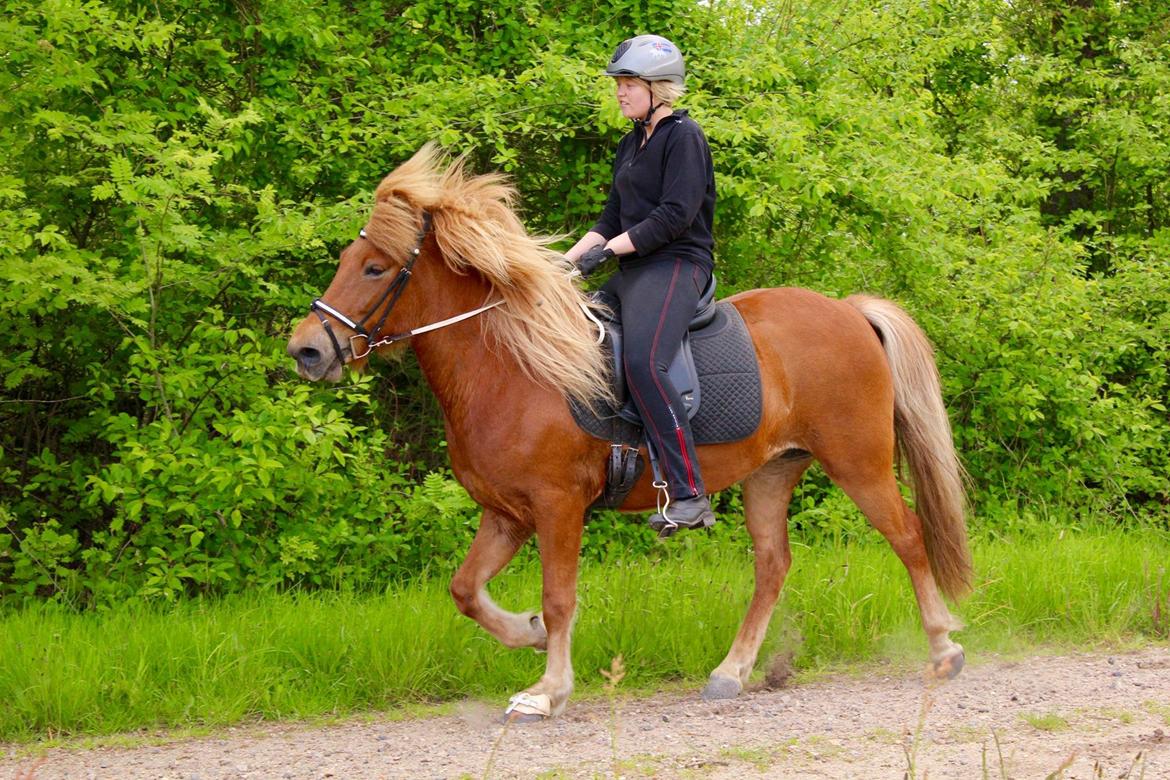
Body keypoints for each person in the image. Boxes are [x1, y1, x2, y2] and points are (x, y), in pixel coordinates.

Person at [565, 34, 717, 533]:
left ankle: (689, 494)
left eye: (629, 84)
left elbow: (675, 216)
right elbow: (611, 218)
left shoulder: (684, 137)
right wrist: (564, 264)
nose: (620, 92)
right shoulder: (630, 143)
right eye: (619, 84)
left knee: (644, 363)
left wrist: (608, 253)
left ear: (658, 88)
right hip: (633, 269)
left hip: (677, 264)